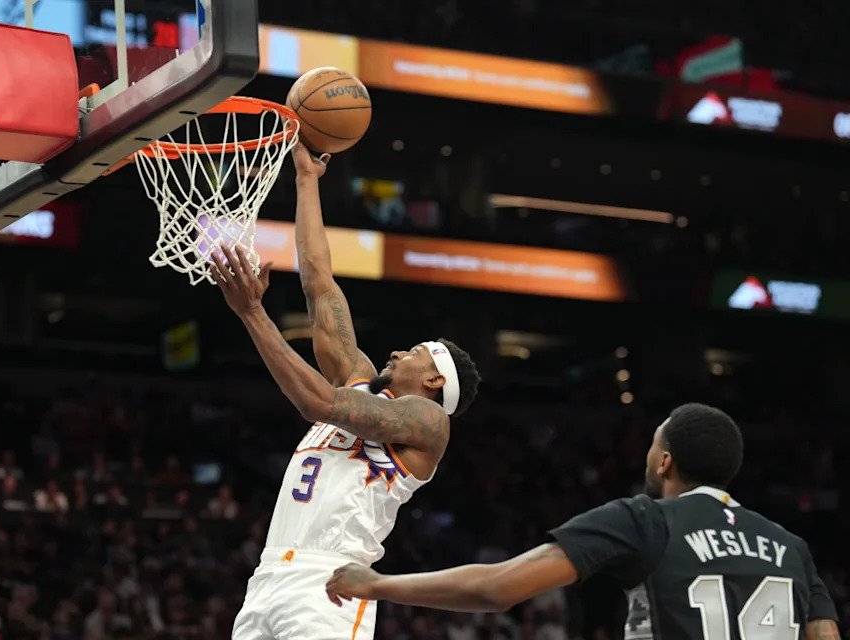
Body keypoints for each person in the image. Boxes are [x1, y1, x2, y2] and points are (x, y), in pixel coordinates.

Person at [215, 144, 481, 640]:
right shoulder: (359, 379)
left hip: (329, 582)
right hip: (269, 573)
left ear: (435, 381)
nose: (399, 352)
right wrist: (306, 179)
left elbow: (317, 403)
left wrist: (253, 314)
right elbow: (318, 282)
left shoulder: (428, 425)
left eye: (416, 352)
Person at [326, 403, 842, 640]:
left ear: (665, 462)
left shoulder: (645, 519)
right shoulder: (791, 548)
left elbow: (499, 588)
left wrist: (377, 583)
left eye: (654, 443)